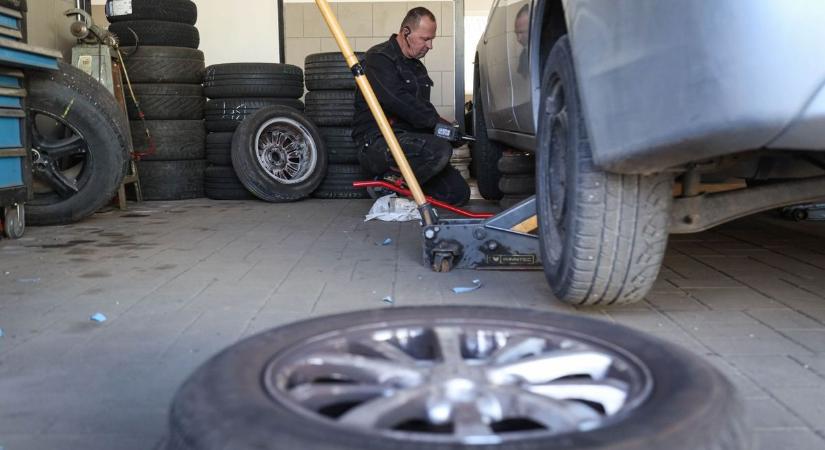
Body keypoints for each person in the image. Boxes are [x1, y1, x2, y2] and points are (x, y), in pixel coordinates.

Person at [353, 7, 471, 206]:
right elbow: (396, 100)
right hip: (378, 142)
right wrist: (437, 124)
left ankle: (404, 188)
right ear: (406, 32)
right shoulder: (379, 58)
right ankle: (389, 183)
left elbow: (421, 109)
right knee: (439, 150)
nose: (430, 45)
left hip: (410, 142)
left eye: (432, 39)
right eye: (425, 39)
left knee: (458, 194)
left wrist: (447, 131)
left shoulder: (416, 67)